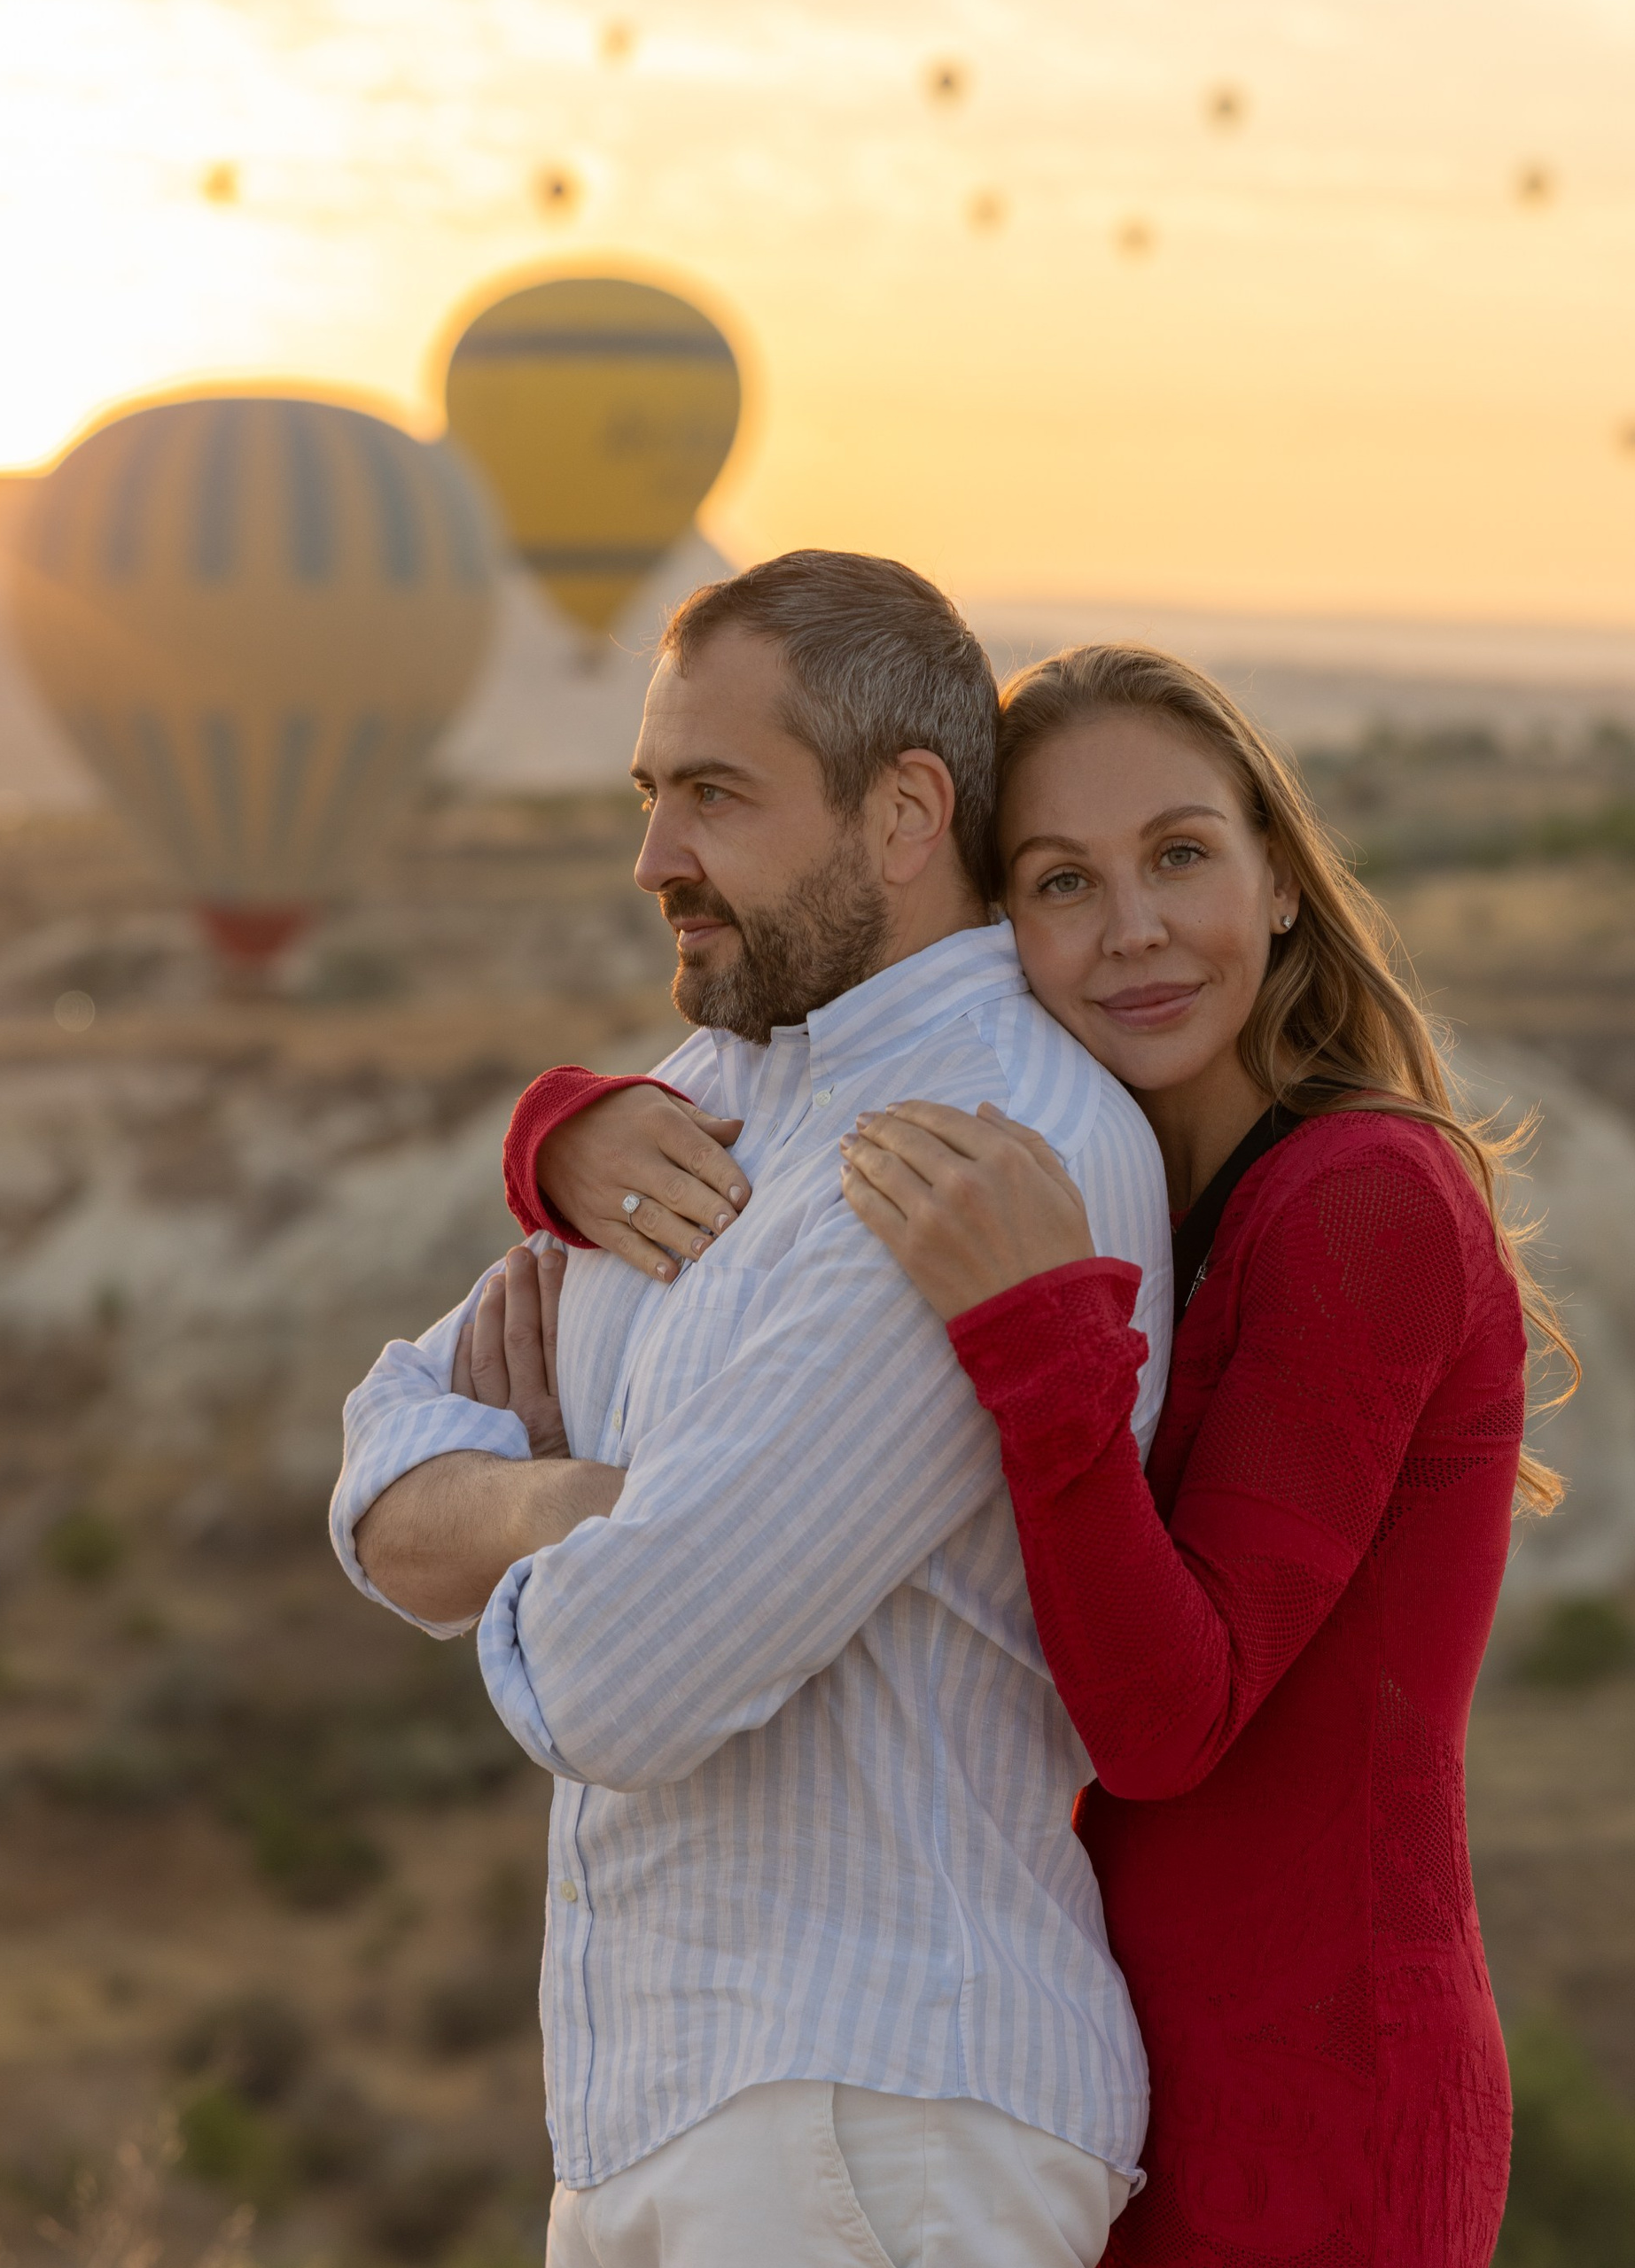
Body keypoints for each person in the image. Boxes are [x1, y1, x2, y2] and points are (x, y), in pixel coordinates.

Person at [518, 644, 1572, 2267]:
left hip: (1313, 2099)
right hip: (1111, 2069)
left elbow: (1165, 1724)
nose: (1132, 927)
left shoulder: (1361, 1200)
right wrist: (566, 1130)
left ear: (1280, 881)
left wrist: (1035, 1337)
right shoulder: (1136, 1174)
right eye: (1062, 880)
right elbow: (812, 1057)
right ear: (999, 926)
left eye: (1180, 856)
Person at [328, 555, 1174, 2268]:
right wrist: (564, 1505)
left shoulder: (980, 1145)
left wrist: (502, 1509)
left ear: (903, 813)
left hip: (875, 2117)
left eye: (716, 795)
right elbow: (375, 1471)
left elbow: (628, 1681)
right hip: (679, 2114)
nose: (655, 859)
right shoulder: (698, 1109)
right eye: (651, 796)